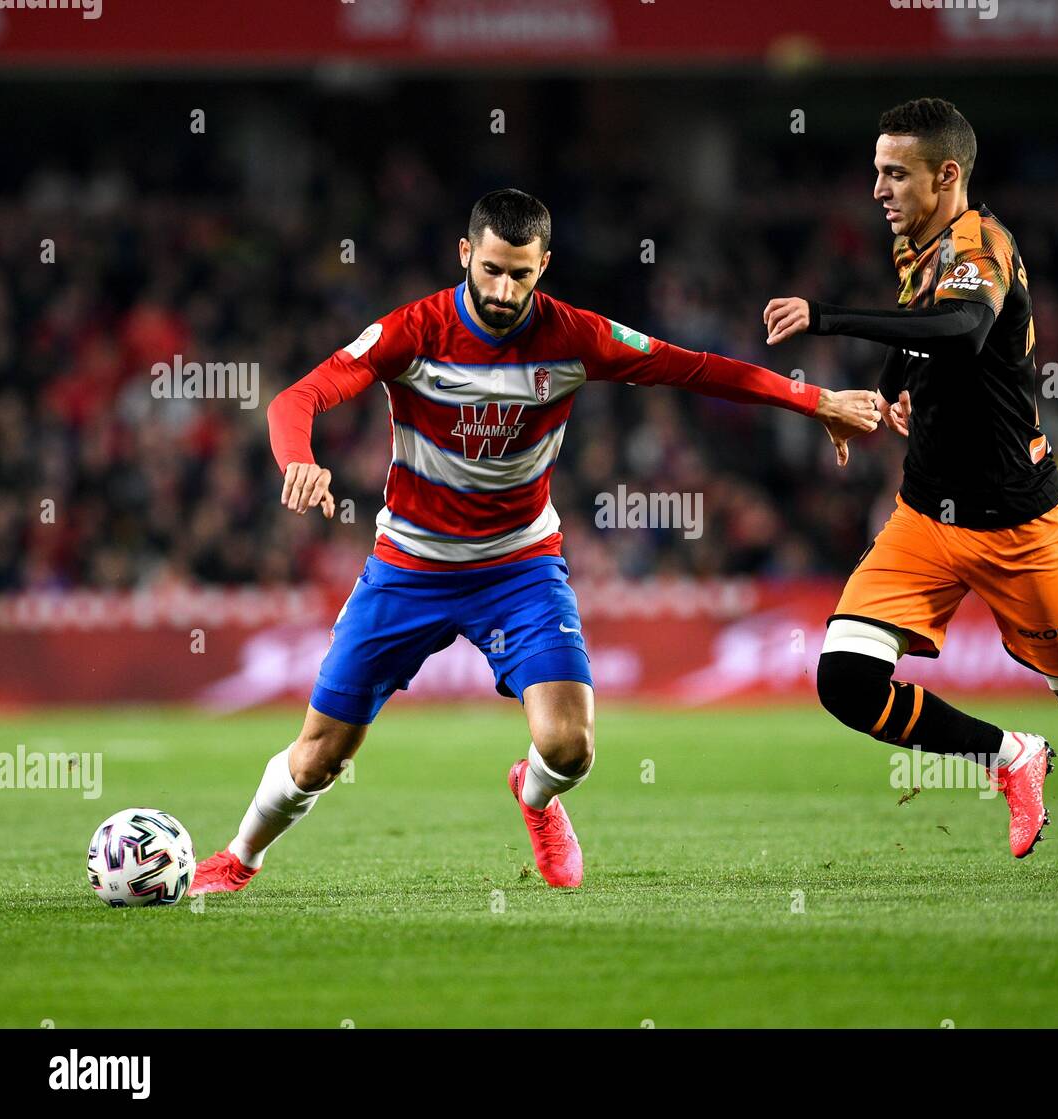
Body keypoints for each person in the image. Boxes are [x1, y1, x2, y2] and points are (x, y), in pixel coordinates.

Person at [191, 188, 880, 894]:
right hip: (409, 566)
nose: (503, 288)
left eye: (521, 273)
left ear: (544, 264)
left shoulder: (573, 336)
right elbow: (295, 398)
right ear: (465, 254)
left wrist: (816, 400)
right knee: (317, 759)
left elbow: (697, 368)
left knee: (569, 747)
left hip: (519, 568)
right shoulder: (413, 330)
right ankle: (240, 856)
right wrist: (298, 460)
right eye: (490, 269)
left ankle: (536, 797)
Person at [764, 99, 1058, 874]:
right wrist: (880, 392)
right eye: (876, 172)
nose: (878, 190)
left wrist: (826, 318)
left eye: (895, 174)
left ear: (947, 175)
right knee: (845, 678)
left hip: (1020, 520)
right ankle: (1007, 755)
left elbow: (961, 329)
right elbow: (918, 323)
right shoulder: (916, 247)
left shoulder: (981, 241)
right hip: (926, 513)